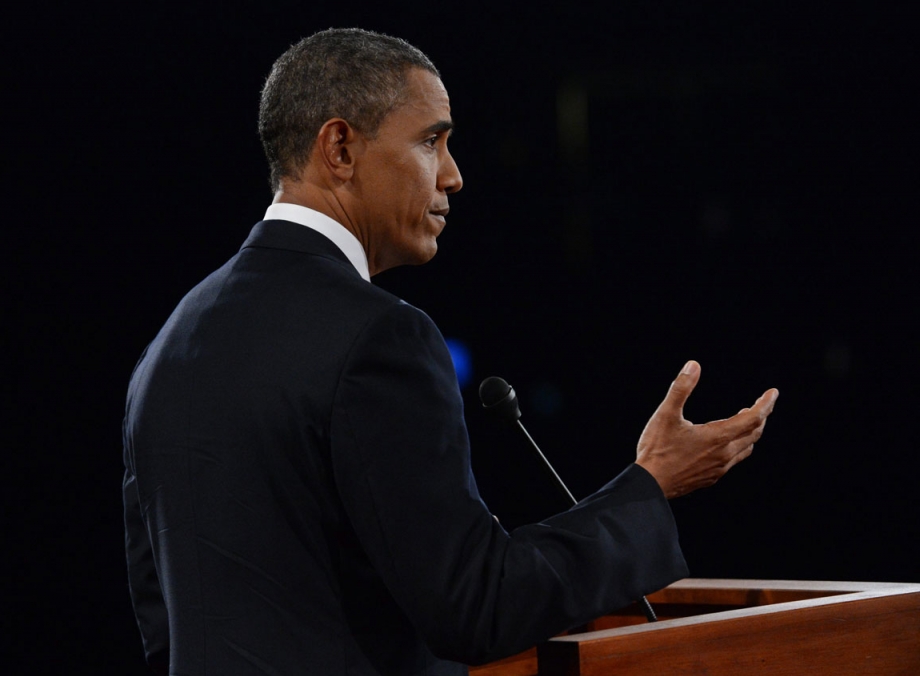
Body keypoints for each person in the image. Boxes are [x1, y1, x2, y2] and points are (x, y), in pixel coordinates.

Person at [122, 28, 778, 676]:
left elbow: (164, 624)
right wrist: (651, 486)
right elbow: (475, 606)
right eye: (431, 140)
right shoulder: (381, 339)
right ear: (340, 148)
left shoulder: (170, 344)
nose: (455, 176)